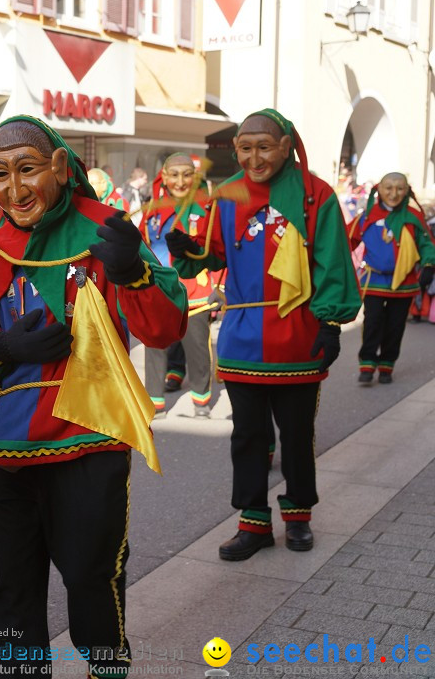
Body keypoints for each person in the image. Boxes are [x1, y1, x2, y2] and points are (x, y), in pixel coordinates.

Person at [0, 116, 188, 677]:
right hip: (14, 449)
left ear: (60, 167)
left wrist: (132, 273)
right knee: (13, 585)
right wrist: (2, 348)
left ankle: (105, 665)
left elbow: (165, 328)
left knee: (91, 571)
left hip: (91, 440)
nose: (13, 190)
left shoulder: (105, 229)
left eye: (27, 170)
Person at [167, 109, 361, 561]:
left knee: (297, 436)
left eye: (265, 147)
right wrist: (188, 251)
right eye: (245, 148)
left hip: (299, 337)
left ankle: (298, 518)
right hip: (241, 339)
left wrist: (330, 324)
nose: (255, 158)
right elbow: (213, 254)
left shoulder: (317, 196)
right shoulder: (227, 194)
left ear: (287, 145)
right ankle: (252, 524)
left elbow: (333, 264)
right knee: (248, 437)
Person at [140, 154, 216, 417]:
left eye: (187, 174)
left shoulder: (207, 209)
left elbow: (220, 249)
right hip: (158, 293)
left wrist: (221, 288)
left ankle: (201, 401)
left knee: (196, 350)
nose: (180, 181)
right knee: (155, 348)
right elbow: (140, 247)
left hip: (195, 294)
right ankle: (155, 402)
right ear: (164, 176)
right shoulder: (151, 210)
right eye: (174, 174)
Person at [346, 173, 435, 384]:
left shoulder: (414, 216)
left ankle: (387, 365)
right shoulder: (367, 215)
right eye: (388, 188)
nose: (393, 194)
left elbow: (426, 244)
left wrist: (429, 265)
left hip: (404, 283)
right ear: (379, 189)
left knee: (395, 326)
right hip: (374, 281)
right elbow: (345, 240)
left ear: (407, 190)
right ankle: (367, 364)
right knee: (372, 322)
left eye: (399, 189)